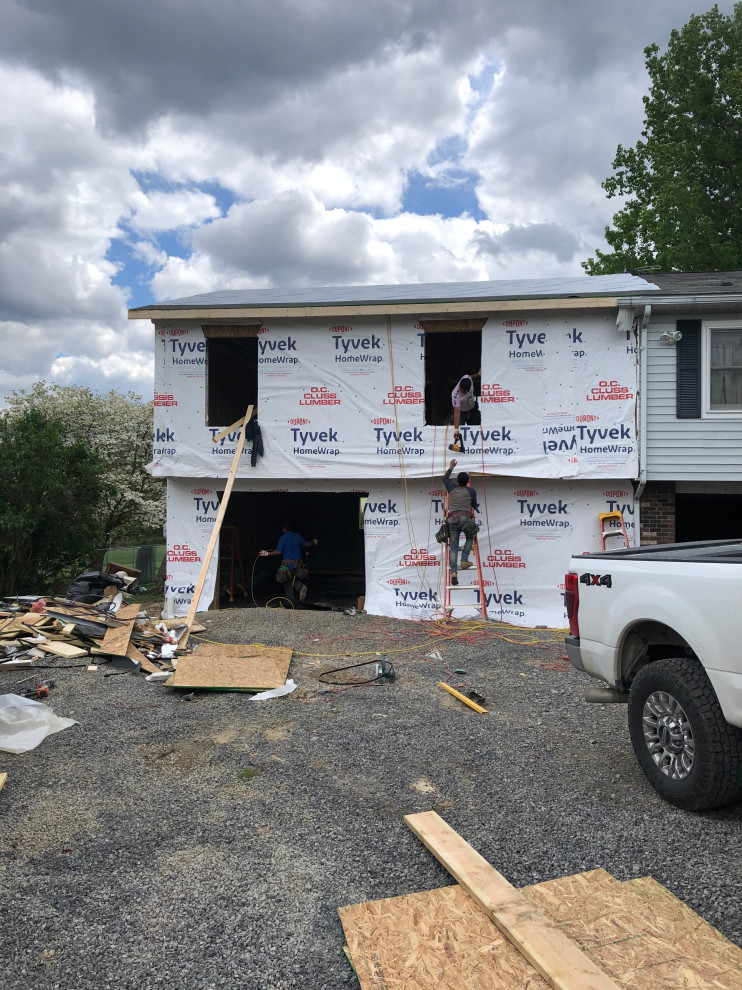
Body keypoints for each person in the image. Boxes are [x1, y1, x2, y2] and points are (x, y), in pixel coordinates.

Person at [442, 459, 479, 585]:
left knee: (453, 546)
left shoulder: (451, 488)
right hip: (464, 519)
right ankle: (464, 560)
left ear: (457, 481)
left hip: (452, 519)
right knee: (470, 537)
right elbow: (473, 505)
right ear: (468, 482)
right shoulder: (471, 491)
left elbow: (445, 479)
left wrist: (451, 467)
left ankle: (453, 572)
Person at [259, 523, 318, 603]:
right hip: (298, 563)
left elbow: (278, 551)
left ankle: (292, 601)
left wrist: (267, 553)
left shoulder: (283, 538)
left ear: (284, 529)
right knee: (293, 577)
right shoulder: (297, 536)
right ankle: (300, 587)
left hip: (286, 564)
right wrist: (313, 542)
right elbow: (307, 544)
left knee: (285, 579)